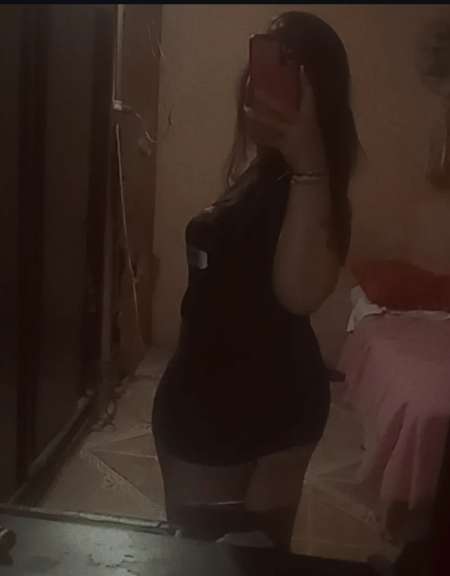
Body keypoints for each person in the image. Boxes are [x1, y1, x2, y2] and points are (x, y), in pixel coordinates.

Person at [152, 11, 359, 550]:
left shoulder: (313, 183)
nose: (254, 82)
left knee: (211, 558)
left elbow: (299, 292)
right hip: (224, 401)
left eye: (282, 69)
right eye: (258, 62)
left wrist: (309, 161)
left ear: (315, 92)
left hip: (246, 408)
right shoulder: (268, 172)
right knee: (242, 554)